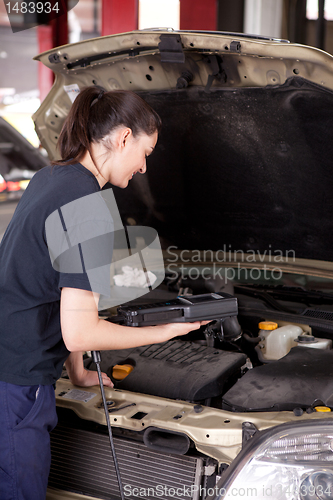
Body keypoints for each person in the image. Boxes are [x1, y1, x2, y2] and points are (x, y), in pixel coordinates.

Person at [0, 86, 206, 500]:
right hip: (18, 386)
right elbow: (80, 332)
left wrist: (78, 373)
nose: (144, 168)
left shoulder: (50, 177)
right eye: (145, 152)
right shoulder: (90, 209)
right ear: (124, 138)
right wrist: (164, 332)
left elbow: (60, 291)